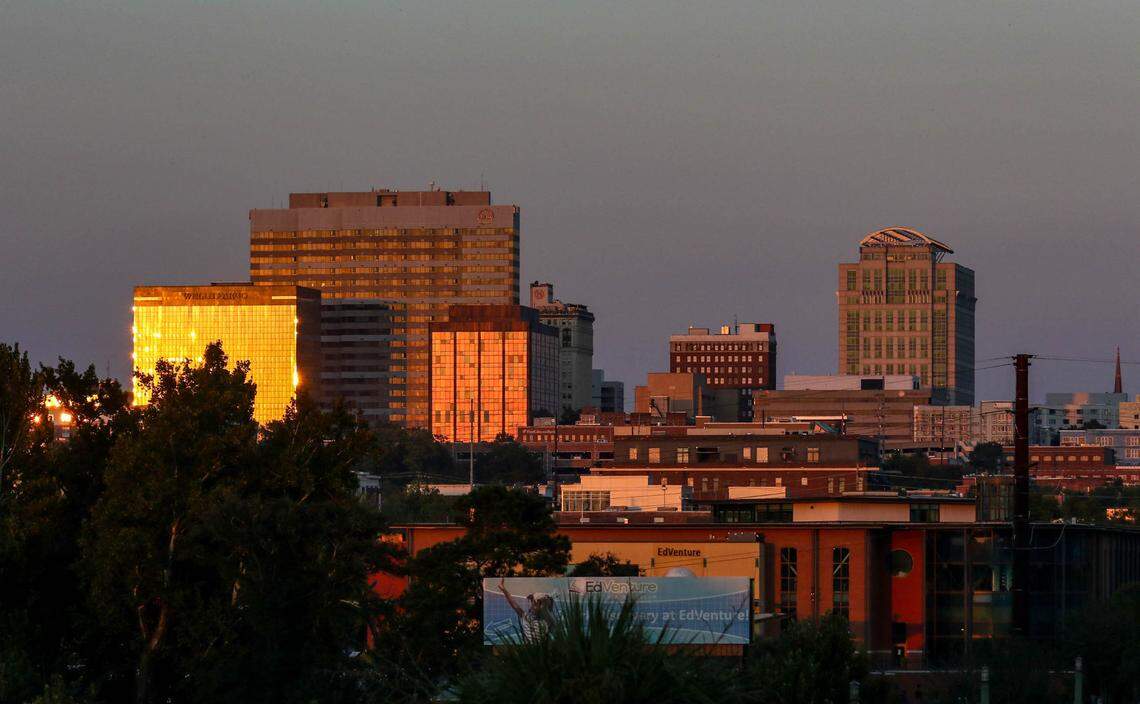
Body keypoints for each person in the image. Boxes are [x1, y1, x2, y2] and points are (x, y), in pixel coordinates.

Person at [498, 577, 556, 641]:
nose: (532, 604)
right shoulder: (527, 618)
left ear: (542, 605)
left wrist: (543, 602)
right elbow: (514, 605)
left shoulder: (547, 621)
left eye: (534, 602)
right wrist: (504, 590)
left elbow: (546, 610)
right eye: (532, 602)